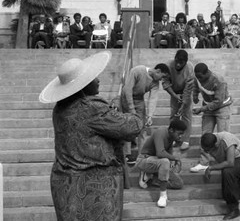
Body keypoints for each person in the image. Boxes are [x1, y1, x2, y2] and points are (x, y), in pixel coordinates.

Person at [39, 51, 143, 220]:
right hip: (94, 188)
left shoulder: (60, 108)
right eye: (93, 78)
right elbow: (132, 127)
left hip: (65, 184)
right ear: (82, 85)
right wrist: (131, 111)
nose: (98, 80)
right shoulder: (92, 107)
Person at [121, 63, 170, 161]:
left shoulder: (155, 83)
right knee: (127, 126)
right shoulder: (137, 70)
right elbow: (128, 89)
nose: (161, 80)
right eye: (162, 76)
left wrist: (150, 116)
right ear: (158, 71)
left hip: (139, 100)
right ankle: (126, 154)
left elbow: (153, 99)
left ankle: (142, 154)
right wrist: (131, 109)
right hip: (126, 98)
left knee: (142, 127)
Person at [190, 63, 233, 173]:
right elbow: (196, 86)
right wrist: (195, 96)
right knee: (205, 134)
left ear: (207, 72)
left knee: (223, 136)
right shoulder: (198, 77)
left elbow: (218, 102)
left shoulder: (218, 80)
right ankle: (204, 162)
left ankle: (223, 161)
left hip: (222, 107)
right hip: (208, 106)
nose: (199, 79)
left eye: (200, 77)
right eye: (197, 77)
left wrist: (201, 109)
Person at [136, 120, 186, 208]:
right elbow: (160, 153)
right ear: (171, 130)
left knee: (178, 183)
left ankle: (153, 178)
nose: (180, 136)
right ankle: (163, 195)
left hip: (158, 163)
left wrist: (173, 165)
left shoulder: (171, 138)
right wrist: (175, 158)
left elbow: (168, 154)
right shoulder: (160, 132)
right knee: (165, 161)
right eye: (179, 133)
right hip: (144, 160)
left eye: (182, 134)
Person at [162, 50, 195, 151]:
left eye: (181, 63)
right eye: (176, 61)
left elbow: (189, 86)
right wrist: (174, 95)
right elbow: (165, 83)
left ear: (185, 62)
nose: (178, 64)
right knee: (174, 116)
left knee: (186, 116)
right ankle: (174, 138)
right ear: (174, 59)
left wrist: (184, 102)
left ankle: (185, 140)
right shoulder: (168, 65)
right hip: (174, 91)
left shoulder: (190, 68)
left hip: (186, 92)